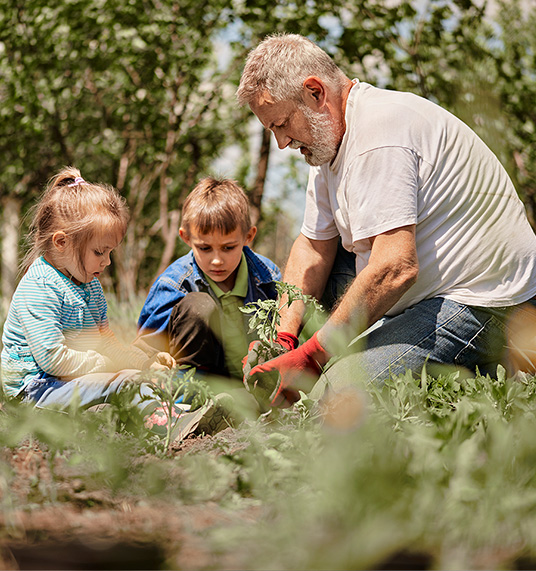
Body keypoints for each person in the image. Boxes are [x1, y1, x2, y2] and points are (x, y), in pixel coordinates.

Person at [236, 33, 536, 403]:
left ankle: (491, 366)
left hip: (485, 303)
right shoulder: (326, 143)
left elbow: (396, 267)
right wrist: (282, 338)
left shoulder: (379, 133)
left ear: (315, 92)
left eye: (282, 124)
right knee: (325, 290)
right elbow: (313, 247)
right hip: (427, 290)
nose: (282, 142)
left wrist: (312, 356)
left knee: (332, 399)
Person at [0, 167, 227, 440]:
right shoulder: (40, 287)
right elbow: (52, 359)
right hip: (35, 390)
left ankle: (169, 412)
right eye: (99, 252)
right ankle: (171, 424)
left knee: (132, 378)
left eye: (110, 252)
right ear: (61, 242)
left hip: (68, 381)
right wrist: (107, 365)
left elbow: (106, 340)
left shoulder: (89, 286)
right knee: (124, 382)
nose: (106, 262)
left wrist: (145, 362)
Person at [136, 176, 281, 381]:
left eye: (228, 248)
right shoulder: (174, 284)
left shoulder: (267, 277)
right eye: (204, 248)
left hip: (252, 379)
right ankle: (185, 400)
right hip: (198, 379)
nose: (216, 260)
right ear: (186, 238)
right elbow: (146, 350)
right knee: (199, 305)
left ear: (248, 237)